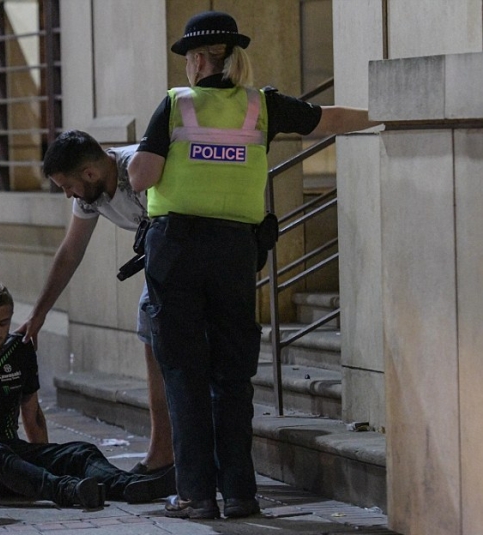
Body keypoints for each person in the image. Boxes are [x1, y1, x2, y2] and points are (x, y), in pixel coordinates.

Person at [127, 11, 381, 520]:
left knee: (183, 372)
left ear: (198, 60)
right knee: (232, 373)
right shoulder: (260, 106)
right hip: (235, 252)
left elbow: (141, 176)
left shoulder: (177, 106)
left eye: (189, 59)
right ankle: (240, 493)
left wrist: (142, 163)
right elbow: (328, 119)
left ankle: (196, 495)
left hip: (176, 250)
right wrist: (389, 110)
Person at [17, 129, 173, 476]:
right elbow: (71, 251)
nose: (67, 194)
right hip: (161, 261)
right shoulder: (91, 194)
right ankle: (164, 448)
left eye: (65, 186)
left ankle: (168, 450)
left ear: (88, 173)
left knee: (155, 325)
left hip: (190, 255)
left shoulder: (139, 171)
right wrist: (39, 314)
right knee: (150, 330)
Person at [0, 280, 176, 508]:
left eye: (3, 323)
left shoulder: (18, 350)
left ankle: (128, 486)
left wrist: (45, 457)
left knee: (81, 452)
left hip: (10, 450)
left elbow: (33, 416)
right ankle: (67, 490)